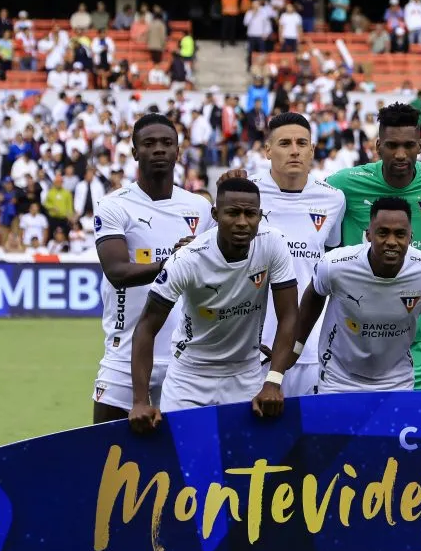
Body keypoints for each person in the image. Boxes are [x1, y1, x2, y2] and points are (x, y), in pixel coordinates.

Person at [128, 178, 299, 433]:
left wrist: (273, 381)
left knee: (243, 467)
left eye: (250, 214)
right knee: (189, 468)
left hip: (246, 374)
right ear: (216, 214)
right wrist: (141, 401)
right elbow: (146, 327)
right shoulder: (187, 259)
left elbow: (289, 316)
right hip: (189, 377)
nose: (242, 222)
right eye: (233, 213)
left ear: (260, 216)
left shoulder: (272, 244)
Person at [91, 113, 212, 425]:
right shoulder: (115, 205)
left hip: (185, 358)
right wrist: (173, 261)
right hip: (124, 355)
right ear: (134, 153)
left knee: (182, 463)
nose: (159, 149)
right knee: (106, 458)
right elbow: (116, 271)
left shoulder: (198, 207)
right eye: (149, 143)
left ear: (177, 151)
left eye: (166, 143)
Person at [326, 103, 421, 391]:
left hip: (420, 334)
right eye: (391, 145)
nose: (400, 154)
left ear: (420, 145)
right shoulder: (344, 183)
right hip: (357, 338)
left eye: (409, 145)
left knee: (416, 426)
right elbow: (301, 199)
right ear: (377, 146)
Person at [220, 112, 346, 397]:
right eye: (285, 143)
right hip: (251, 344)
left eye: (302, 143)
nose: (294, 150)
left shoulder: (333, 198)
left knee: (310, 435)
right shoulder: (246, 194)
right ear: (267, 150)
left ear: (312, 150)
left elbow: (328, 259)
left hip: (310, 344)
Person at [294, 197, 421, 392]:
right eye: (383, 233)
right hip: (338, 379)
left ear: (410, 236)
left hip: (397, 381)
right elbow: (314, 296)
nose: (391, 242)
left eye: (400, 234)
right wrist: (294, 348)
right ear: (369, 235)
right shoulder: (335, 266)